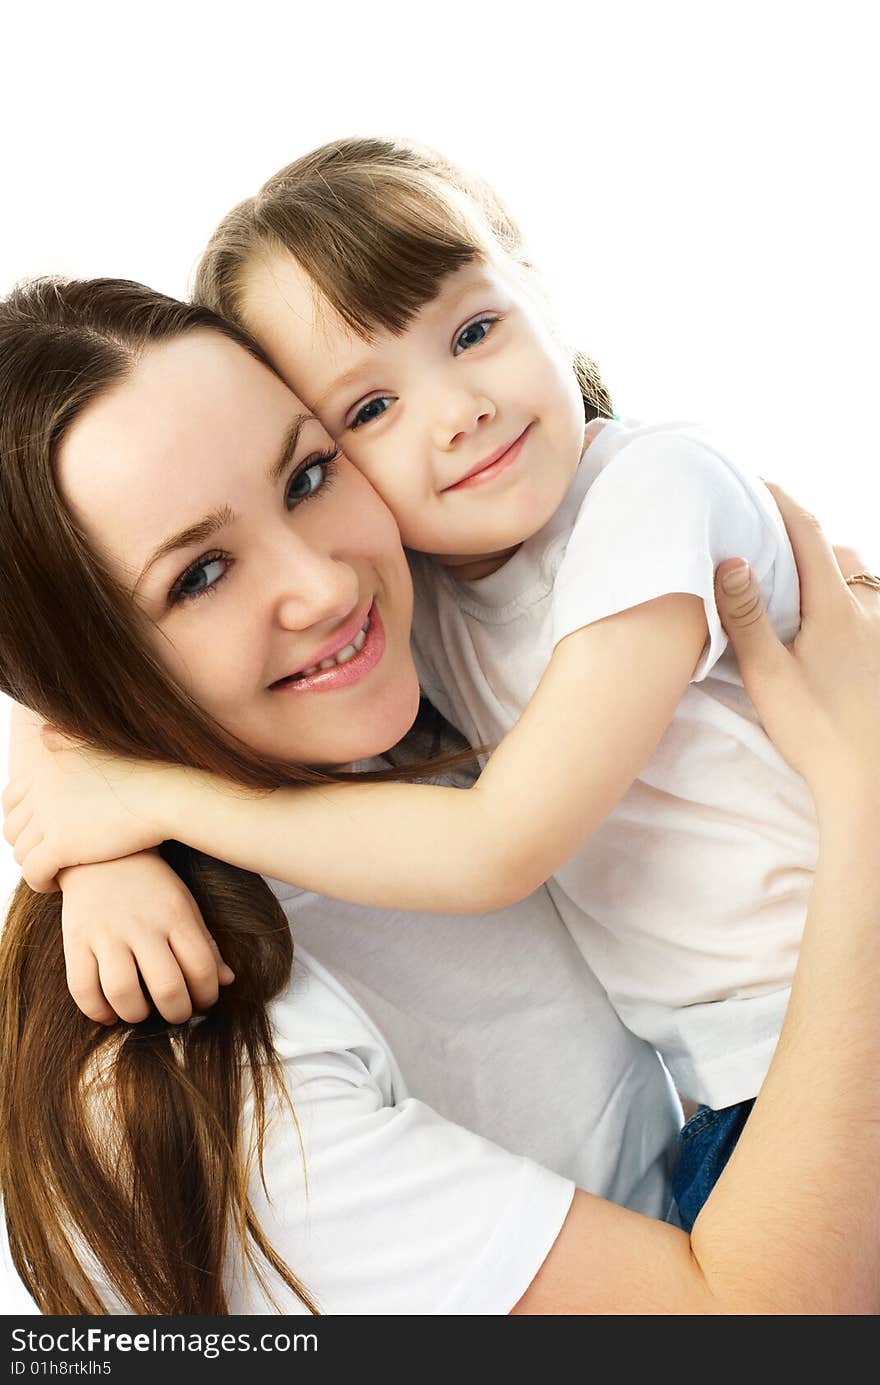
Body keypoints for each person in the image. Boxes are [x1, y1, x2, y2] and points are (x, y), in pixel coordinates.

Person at [3, 276, 880, 1316]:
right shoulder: (215, 1079)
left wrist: (104, 805)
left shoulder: (410, 705)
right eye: (200, 575)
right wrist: (863, 795)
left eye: (312, 471)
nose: (328, 586)